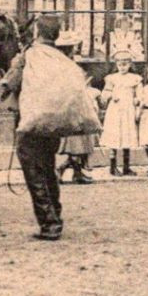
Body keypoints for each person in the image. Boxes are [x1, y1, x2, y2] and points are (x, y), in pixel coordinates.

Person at [0, 14, 78, 241]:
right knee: (48, 167)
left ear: (36, 33)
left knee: (33, 172)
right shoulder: (61, 57)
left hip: (31, 122)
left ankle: (49, 223)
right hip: (53, 124)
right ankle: (57, 216)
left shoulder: (28, 56)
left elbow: (8, 83)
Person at [55, 30, 96, 184]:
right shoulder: (62, 65)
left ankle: (77, 172)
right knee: (76, 140)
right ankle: (62, 168)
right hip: (69, 106)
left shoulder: (69, 63)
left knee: (81, 140)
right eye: (71, 47)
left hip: (76, 104)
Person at [99, 51, 142, 176]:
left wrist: (137, 99)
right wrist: (112, 95)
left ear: (130, 64)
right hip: (116, 110)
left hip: (128, 109)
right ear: (116, 65)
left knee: (126, 136)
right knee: (115, 136)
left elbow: (140, 93)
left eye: (125, 64)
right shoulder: (112, 78)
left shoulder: (134, 79)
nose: (122, 67)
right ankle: (113, 166)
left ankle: (126, 167)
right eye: (120, 64)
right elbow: (104, 94)